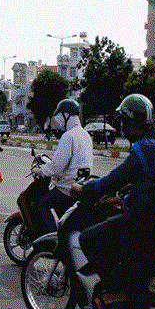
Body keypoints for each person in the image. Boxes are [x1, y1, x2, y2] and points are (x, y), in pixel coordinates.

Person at [69, 94, 155, 308]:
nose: (121, 126)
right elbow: (149, 177)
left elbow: (114, 178)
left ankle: (118, 291)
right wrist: (130, 189)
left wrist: (85, 189)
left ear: (132, 122)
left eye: (123, 121)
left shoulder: (142, 148)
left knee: (88, 239)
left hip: (142, 217)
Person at [36, 99, 93, 233]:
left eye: (59, 115)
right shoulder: (85, 135)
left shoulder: (68, 136)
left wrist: (40, 171)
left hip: (67, 188)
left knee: (43, 204)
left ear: (66, 115)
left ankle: (53, 239)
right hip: (81, 185)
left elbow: (57, 166)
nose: (58, 119)